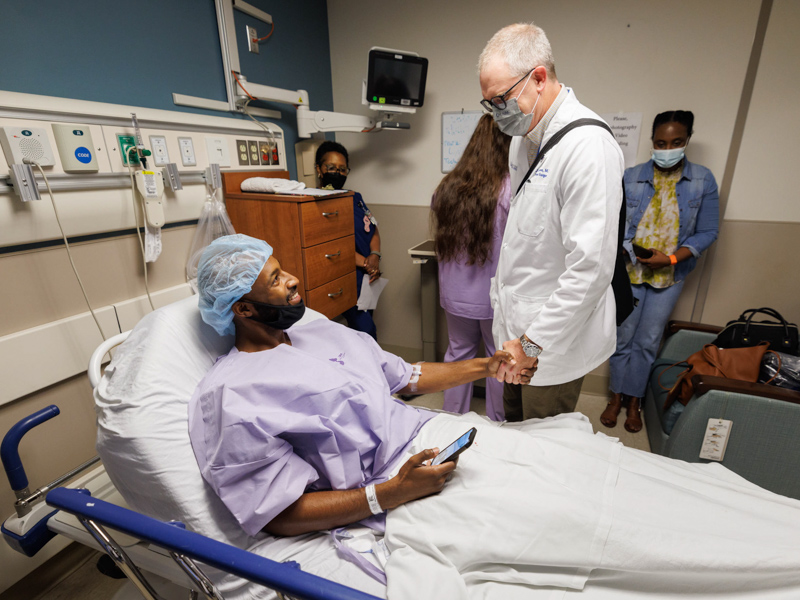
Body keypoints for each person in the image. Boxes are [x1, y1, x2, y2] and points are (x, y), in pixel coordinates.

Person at [188, 234, 800, 599]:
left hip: (449, 436)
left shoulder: (322, 333)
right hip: (409, 483)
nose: (294, 280)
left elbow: (409, 378)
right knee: (573, 515)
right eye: (276, 279)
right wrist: (388, 495)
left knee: (593, 472)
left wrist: (487, 367)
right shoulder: (231, 398)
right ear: (242, 308)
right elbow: (278, 515)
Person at [478, 23, 625, 420]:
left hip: (548, 344)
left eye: (501, 100)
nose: (496, 113)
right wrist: (516, 342)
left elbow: (591, 269)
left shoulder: (588, 147)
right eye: (488, 103)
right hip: (514, 338)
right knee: (514, 435)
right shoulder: (523, 138)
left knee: (544, 456)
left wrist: (531, 344)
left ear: (538, 78)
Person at [601, 111, 719, 433]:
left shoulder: (702, 180)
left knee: (648, 341)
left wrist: (668, 260)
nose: (667, 148)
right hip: (630, 271)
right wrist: (632, 251)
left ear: (687, 141)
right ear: (652, 143)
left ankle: (634, 400)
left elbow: (707, 232)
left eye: (676, 142)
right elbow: (616, 223)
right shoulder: (631, 176)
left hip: (669, 277)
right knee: (623, 338)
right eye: (661, 142)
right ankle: (615, 397)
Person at [431, 114, 512, 421]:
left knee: (457, 356)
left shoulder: (447, 187)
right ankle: (497, 425)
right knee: (497, 360)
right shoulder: (508, 190)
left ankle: (451, 420)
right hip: (493, 299)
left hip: (456, 295)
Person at [315, 140, 382, 341]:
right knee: (366, 331)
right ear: (319, 169)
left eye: (343, 169)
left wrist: (375, 255)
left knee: (365, 327)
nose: (337, 173)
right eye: (331, 168)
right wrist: (366, 264)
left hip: (369, 274)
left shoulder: (355, 198)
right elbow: (331, 246)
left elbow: (374, 228)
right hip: (347, 275)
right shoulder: (317, 204)